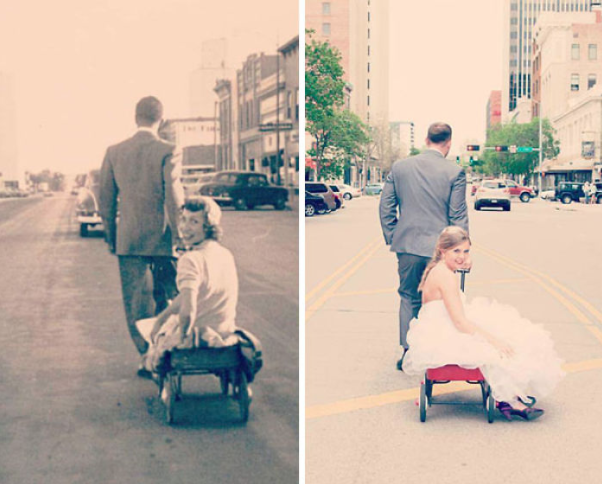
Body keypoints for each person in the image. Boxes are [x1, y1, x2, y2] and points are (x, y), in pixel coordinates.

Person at [402, 226, 564, 420]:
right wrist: (493, 340)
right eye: (457, 251)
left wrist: (462, 261)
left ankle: (509, 394)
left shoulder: (440, 269)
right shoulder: (446, 277)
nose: (462, 256)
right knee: (501, 345)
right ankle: (508, 400)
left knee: (505, 332)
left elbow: (455, 314)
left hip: (438, 326)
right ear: (443, 251)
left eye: (466, 251)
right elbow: (460, 323)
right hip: (445, 333)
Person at [99, 96, 184, 376]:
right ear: (161, 119)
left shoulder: (114, 151)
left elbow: (106, 201)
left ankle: (146, 356)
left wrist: (112, 236)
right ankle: (164, 351)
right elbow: (173, 196)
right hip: (163, 239)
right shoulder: (168, 149)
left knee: (136, 303)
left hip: (129, 242)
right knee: (167, 298)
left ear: (135, 118)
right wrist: (181, 235)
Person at [379, 122, 469, 371]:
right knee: (437, 301)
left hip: (407, 246)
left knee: (408, 297)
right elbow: (458, 215)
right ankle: (434, 354)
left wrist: (394, 235)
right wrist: (462, 253)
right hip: (439, 251)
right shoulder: (455, 172)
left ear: (426, 139)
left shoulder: (400, 167)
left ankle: (408, 353)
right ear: (448, 143)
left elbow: (385, 207)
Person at [138, 197, 239, 374]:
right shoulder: (225, 254)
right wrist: (162, 317)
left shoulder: (190, 260)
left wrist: (182, 336)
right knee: (162, 321)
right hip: (224, 330)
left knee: (151, 336)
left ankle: (152, 367)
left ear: (208, 226)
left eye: (194, 222)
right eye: (183, 219)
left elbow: (188, 310)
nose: (185, 227)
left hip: (198, 334)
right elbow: (189, 297)